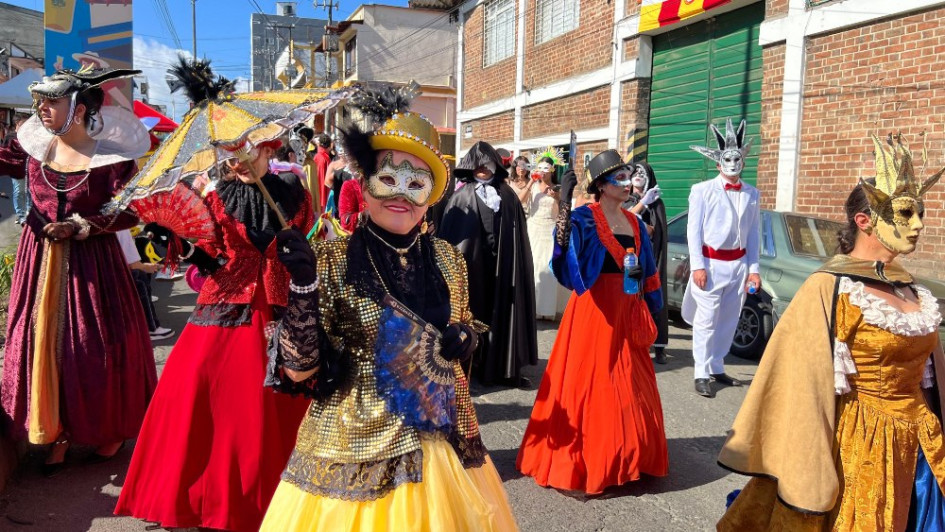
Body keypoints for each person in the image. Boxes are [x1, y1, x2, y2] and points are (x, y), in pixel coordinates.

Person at [259, 98, 518, 531]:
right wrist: (303, 286)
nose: (401, 193)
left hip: (444, 442)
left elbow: (468, 322)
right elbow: (300, 371)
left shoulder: (449, 259)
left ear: (432, 194)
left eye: (416, 182)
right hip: (355, 445)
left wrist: (466, 339)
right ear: (363, 183)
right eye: (388, 177)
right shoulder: (332, 258)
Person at [115, 60, 315, 531]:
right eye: (232, 153)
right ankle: (202, 497)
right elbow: (207, 248)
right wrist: (181, 246)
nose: (243, 161)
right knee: (204, 393)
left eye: (252, 150)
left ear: (270, 147)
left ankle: (284, 503)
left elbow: (309, 237)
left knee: (283, 403)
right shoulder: (217, 195)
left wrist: (299, 253)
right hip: (226, 305)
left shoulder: (295, 192)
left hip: (285, 303)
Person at [717, 133, 945, 531]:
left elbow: (931, 379)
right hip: (860, 447)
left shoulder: (914, 290)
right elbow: (797, 387)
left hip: (923, 451)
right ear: (864, 221)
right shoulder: (830, 288)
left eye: (919, 214)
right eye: (907, 214)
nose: (919, 225)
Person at [0, 67, 155, 476]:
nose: (42, 109)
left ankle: (105, 430)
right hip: (38, 262)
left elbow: (135, 209)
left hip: (94, 266)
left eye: (52, 101)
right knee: (36, 343)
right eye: (41, 102)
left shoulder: (113, 158)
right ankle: (54, 430)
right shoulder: (32, 149)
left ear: (80, 107)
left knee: (91, 348)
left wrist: (85, 227)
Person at [517, 149, 667, 494]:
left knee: (630, 379)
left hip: (627, 308)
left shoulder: (635, 223)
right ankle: (591, 461)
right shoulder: (586, 217)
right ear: (601, 185)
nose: (628, 184)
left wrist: (654, 305)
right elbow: (569, 268)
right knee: (593, 380)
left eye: (630, 178)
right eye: (621, 178)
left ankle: (631, 457)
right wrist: (565, 210)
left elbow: (650, 271)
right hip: (595, 311)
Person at [439, 140, 538, 387]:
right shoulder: (460, 196)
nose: (483, 168)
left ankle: (504, 368)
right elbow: (451, 238)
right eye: (478, 164)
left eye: (487, 163)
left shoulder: (508, 195)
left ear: (496, 165)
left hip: (503, 264)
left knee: (504, 311)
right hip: (472, 266)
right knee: (472, 311)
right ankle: (469, 367)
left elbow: (517, 236)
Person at [684, 118, 760, 398]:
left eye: (737, 159)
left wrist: (753, 270)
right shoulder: (702, 191)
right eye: (726, 159)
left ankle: (717, 365)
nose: (732, 164)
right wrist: (698, 266)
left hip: (738, 266)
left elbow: (753, 234)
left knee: (729, 319)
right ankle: (701, 372)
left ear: (743, 162)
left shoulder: (752, 193)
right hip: (711, 264)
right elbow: (693, 231)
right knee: (706, 320)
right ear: (718, 164)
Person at [624, 162, 668, 364]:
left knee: (655, 297)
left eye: (642, 173)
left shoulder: (657, 203)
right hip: (630, 256)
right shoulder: (625, 199)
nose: (637, 176)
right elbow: (624, 219)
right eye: (634, 172)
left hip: (651, 255)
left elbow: (657, 230)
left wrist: (649, 228)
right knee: (631, 298)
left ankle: (659, 346)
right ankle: (632, 339)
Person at [527, 153, 568, 320]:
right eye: (540, 168)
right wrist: (531, 182)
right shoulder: (533, 186)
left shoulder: (557, 188)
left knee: (548, 266)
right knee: (534, 265)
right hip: (534, 227)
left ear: (552, 170)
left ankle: (547, 308)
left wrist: (556, 197)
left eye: (546, 168)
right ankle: (533, 306)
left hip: (549, 228)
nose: (543, 172)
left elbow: (560, 212)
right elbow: (520, 201)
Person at [115, 229, 174, 340]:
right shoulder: (119, 224)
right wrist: (147, 267)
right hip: (116, 272)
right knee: (140, 279)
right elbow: (133, 263)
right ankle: (151, 327)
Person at [3, 116, 30, 225]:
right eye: (22, 124)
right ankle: (21, 215)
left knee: (30, 192)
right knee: (19, 191)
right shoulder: (10, 137)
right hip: (16, 169)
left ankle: (29, 213)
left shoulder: (30, 136)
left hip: (30, 168)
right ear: (17, 124)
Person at [314, 133, 332, 211]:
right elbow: (327, 180)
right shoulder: (326, 158)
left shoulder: (316, 156)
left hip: (316, 192)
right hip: (324, 194)